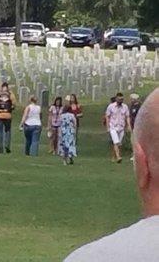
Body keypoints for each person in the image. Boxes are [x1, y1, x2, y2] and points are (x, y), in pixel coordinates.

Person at [64, 88, 159, 261]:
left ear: (140, 165)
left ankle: (117, 155)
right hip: (115, 126)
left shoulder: (90, 258)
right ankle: (117, 154)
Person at [105, 92, 131, 163]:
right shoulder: (111, 106)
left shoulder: (125, 107)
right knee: (116, 142)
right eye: (119, 99)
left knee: (118, 143)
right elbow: (107, 116)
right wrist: (108, 126)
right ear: (116, 99)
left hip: (121, 127)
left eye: (122, 99)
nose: (121, 101)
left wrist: (128, 125)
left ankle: (114, 156)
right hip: (113, 126)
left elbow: (127, 116)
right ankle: (119, 157)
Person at [0, 83, 16, 154]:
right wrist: (10, 110)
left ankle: (0, 148)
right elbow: (14, 105)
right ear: (7, 88)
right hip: (8, 116)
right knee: (8, 131)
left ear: (1, 87)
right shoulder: (11, 95)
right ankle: (7, 145)